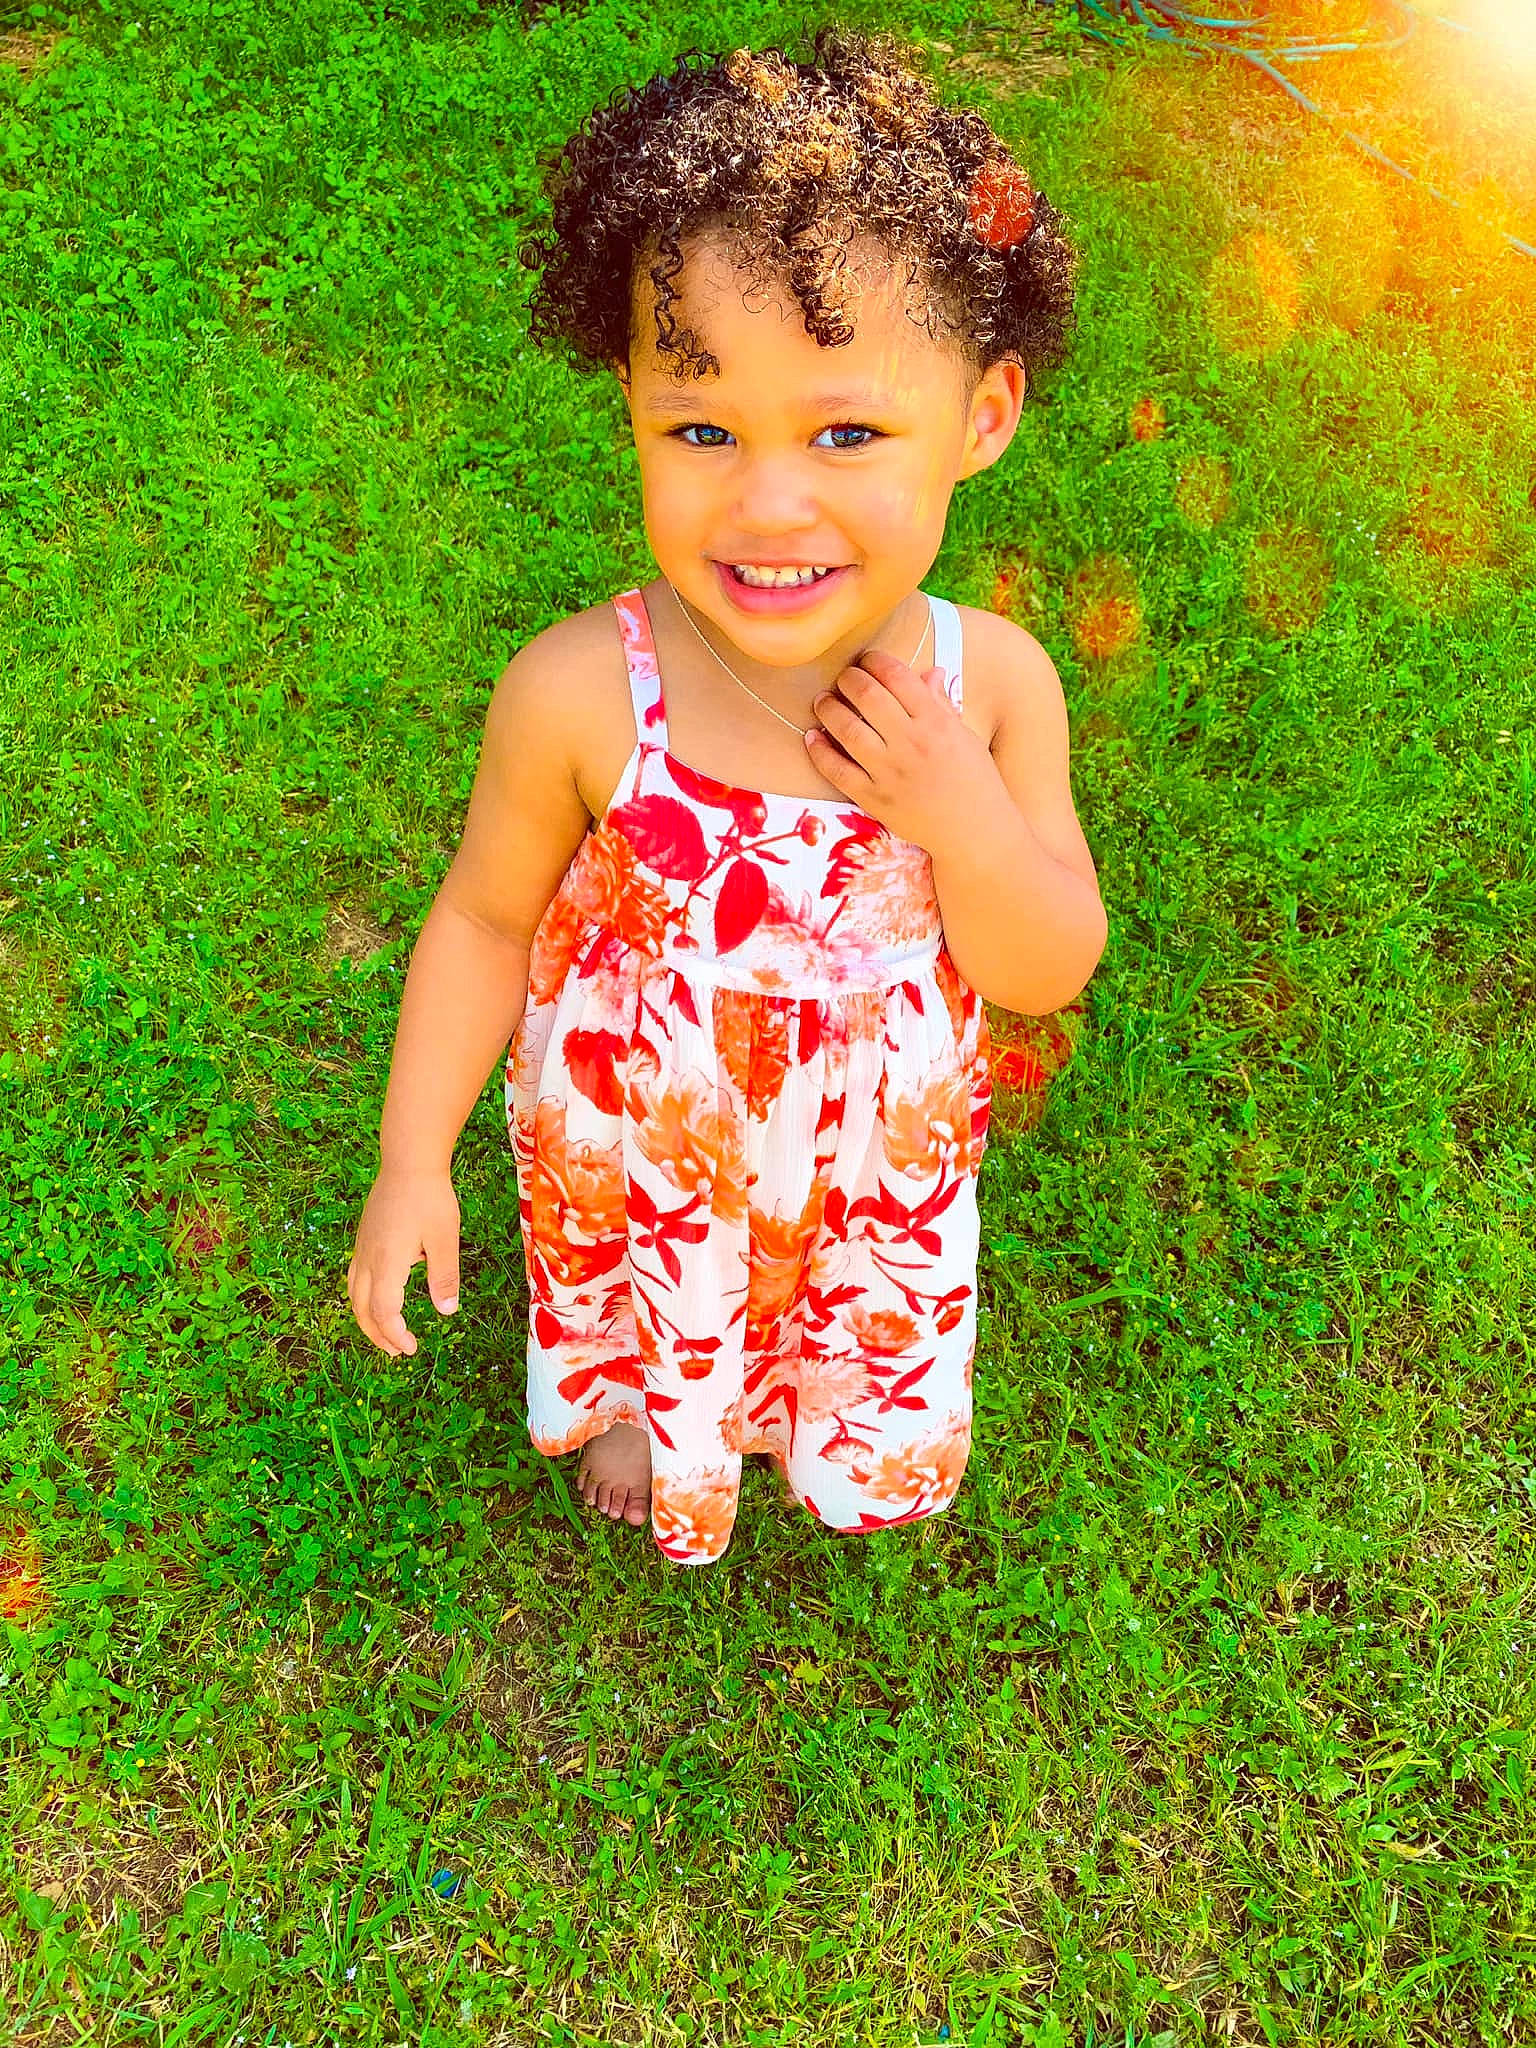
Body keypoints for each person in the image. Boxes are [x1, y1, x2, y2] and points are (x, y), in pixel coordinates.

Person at [347, 24, 1108, 1565]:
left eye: (848, 432)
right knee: (647, 1283)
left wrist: (960, 810)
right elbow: (487, 920)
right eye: (702, 429)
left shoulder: (994, 688)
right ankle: (649, 1402)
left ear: (982, 417)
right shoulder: (579, 691)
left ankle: (798, 1412)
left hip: (862, 1166)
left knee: (830, 1301)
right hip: (649, 1135)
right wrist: (410, 1160)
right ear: (630, 403)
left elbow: (1044, 967)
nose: (769, 503)